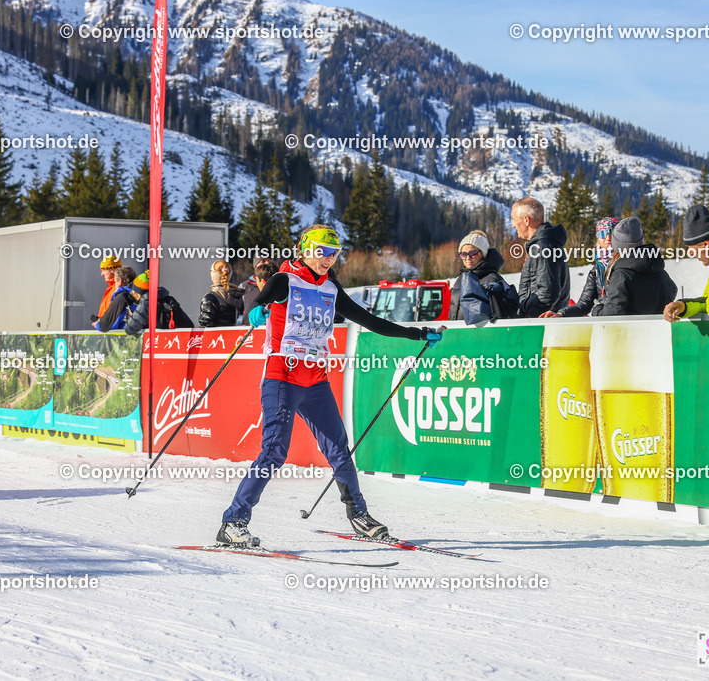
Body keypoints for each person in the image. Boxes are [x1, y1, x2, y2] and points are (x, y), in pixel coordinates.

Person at [217, 225, 443, 546]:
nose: (328, 259)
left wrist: (417, 333)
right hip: (283, 376)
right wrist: (257, 309)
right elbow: (265, 296)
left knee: (340, 450)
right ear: (305, 250)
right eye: (322, 252)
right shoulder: (286, 279)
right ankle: (234, 521)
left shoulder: (330, 289)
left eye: (334, 253)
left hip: (316, 382)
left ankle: (359, 516)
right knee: (275, 451)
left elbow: (371, 321)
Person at [591, 216, 677, 316]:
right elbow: (672, 290)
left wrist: (597, 311)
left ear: (618, 246)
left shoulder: (621, 275)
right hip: (661, 328)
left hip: (633, 329)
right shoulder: (658, 270)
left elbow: (614, 311)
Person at [542, 217, 616, 318]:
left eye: (612, 232)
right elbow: (584, 304)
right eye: (603, 233)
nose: (608, 238)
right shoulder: (596, 270)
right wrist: (561, 314)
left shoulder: (627, 261)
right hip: (605, 323)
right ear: (597, 238)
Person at [512, 197, 570, 317]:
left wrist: (530, 317)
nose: (513, 225)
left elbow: (548, 291)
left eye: (514, 219)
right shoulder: (543, 245)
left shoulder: (543, 247)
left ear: (526, 220)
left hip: (541, 326)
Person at [448, 230, 511, 321]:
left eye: (473, 253)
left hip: (481, 334)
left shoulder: (492, 280)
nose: (467, 258)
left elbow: (500, 317)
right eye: (463, 254)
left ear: (483, 254)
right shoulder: (460, 280)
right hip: (459, 332)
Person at [124, 272, 194, 333]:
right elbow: (188, 324)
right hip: (172, 342)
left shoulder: (145, 303)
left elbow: (129, 329)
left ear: (138, 292)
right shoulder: (169, 300)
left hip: (154, 344)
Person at [200, 260, 244, 327]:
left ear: (213, 274)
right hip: (234, 336)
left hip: (217, 337)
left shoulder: (210, 298)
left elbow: (205, 326)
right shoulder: (236, 295)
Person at [94, 267, 136, 331]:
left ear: (120, 282)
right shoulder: (138, 296)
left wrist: (97, 324)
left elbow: (105, 326)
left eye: (115, 282)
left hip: (124, 336)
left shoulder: (121, 297)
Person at [91, 255, 122, 328]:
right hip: (106, 331)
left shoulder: (118, 288)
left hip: (112, 333)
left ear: (112, 269)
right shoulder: (111, 288)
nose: (102, 274)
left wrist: (102, 325)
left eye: (104, 270)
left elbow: (117, 315)